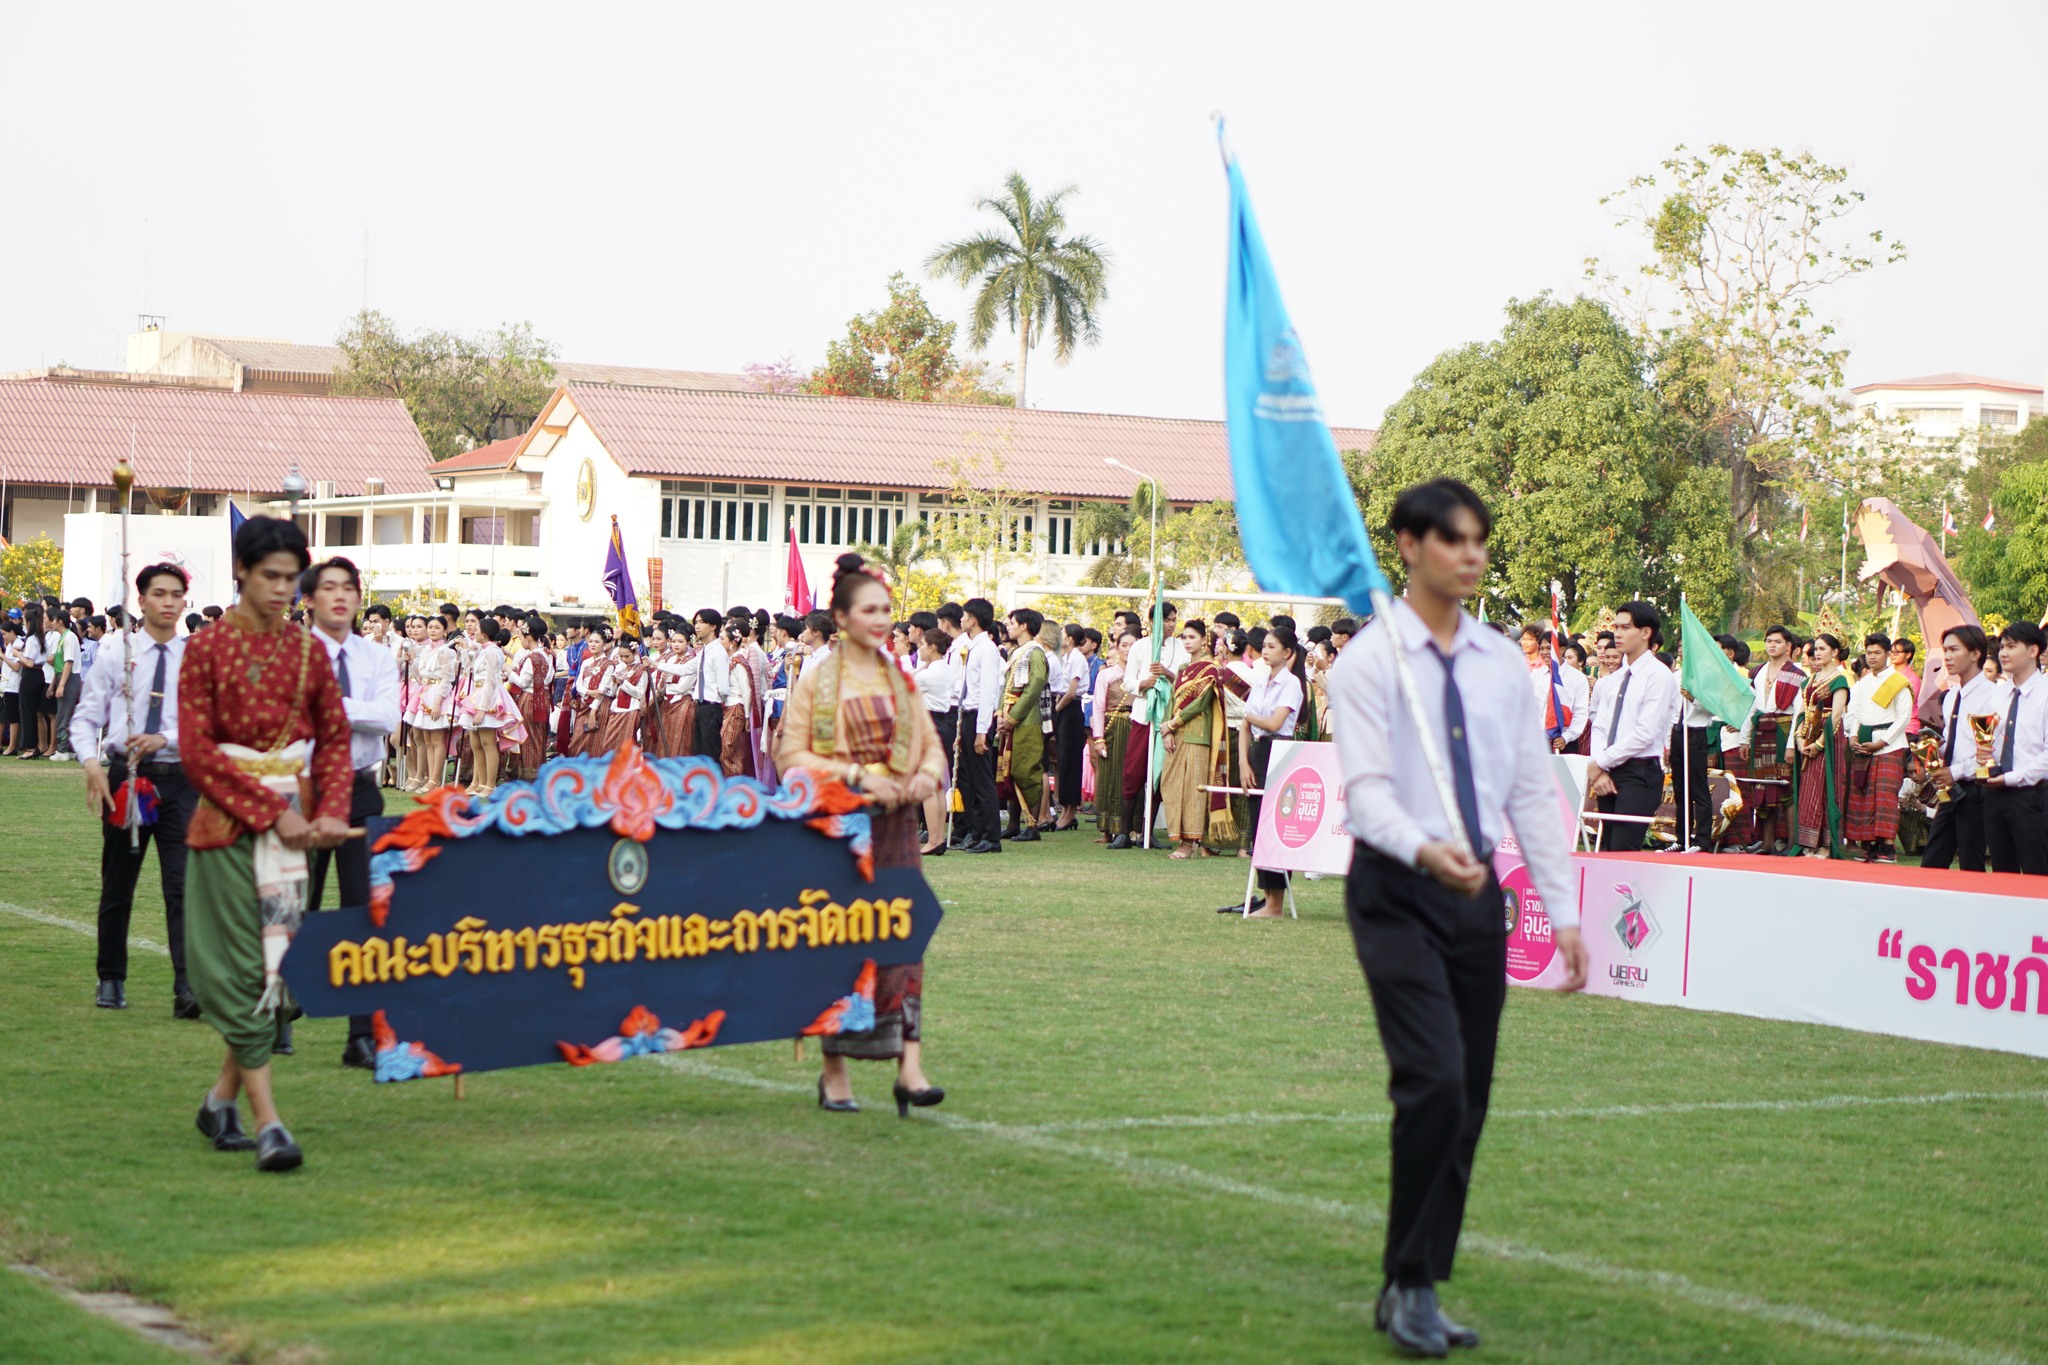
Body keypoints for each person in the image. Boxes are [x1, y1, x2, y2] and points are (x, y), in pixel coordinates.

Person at [1328, 479, 1587, 1356]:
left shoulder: (1500, 663)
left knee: (1468, 1096)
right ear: (1409, 545)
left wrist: (1562, 909)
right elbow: (1366, 795)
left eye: (1479, 539)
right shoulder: (1368, 661)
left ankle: (1418, 1279)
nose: (1470, 554)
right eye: (1452, 539)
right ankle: (1407, 1282)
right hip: (1396, 889)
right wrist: (1424, 848)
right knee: (1433, 1079)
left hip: (1478, 896)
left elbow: (1531, 790)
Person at [179, 516, 353, 1172]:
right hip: (227, 828)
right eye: (271, 576)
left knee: (283, 970)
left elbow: (333, 739)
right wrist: (270, 812)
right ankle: (269, 1122)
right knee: (246, 971)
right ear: (241, 572)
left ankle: (219, 1101)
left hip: (294, 832)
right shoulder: (205, 648)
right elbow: (197, 753)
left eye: (291, 578)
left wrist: (329, 811)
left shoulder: (309, 652)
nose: (283, 589)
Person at [778, 553, 947, 1116]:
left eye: (885, 610)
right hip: (840, 829)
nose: (881, 620)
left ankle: (910, 1068)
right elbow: (791, 756)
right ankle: (834, 1073)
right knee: (842, 946)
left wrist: (921, 779)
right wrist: (856, 775)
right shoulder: (819, 679)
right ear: (843, 618)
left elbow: (931, 747)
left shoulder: (899, 676)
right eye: (869, 610)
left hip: (896, 829)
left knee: (904, 937)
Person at [72, 564, 197, 1015]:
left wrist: (166, 738)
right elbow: (86, 718)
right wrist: (91, 764)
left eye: (176, 594)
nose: (168, 602)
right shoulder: (116, 654)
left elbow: (207, 725)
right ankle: (111, 977)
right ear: (141, 601)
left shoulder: (195, 659)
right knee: (119, 882)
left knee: (182, 886)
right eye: (159, 593)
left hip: (180, 782)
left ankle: (187, 987)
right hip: (127, 779)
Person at [300, 557, 399, 1066]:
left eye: (348, 588)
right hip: (304, 791)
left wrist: (331, 707)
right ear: (309, 599)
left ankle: (361, 1034)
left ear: (359, 599)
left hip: (360, 791)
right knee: (299, 907)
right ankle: (279, 1015)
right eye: (328, 587)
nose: (339, 596)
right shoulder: (292, 655)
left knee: (364, 909)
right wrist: (354, 711)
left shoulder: (376, 656)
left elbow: (386, 718)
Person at [1587, 602, 1677, 852]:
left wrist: (1600, 762)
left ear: (1646, 633)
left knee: (1623, 849)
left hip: (1640, 771)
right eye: (1616, 627)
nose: (1617, 633)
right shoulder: (1613, 679)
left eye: (1626, 628)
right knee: (1606, 847)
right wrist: (1600, 767)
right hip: (1608, 769)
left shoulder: (1659, 676)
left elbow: (1645, 733)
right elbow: (1599, 726)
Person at [1232, 623, 1306, 916]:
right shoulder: (1261, 681)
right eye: (1264, 645)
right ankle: (1267, 897)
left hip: (1280, 751)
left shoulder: (1291, 684)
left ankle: (1276, 903)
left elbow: (1274, 723)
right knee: (1258, 827)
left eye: (1272, 646)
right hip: (1257, 751)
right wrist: (1243, 763)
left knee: (1276, 827)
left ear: (1287, 652)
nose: (1265, 650)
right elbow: (1244, 727)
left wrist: (1248, 716)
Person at [1159, 620, 1243, 859]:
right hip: (1176, 734)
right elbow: (1172, 701)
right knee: (1170, 784)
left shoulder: (1211, 669)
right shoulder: (1183, 668)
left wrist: (1172, 724)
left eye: (1192, 637)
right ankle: (1180, 837)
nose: (1187, 641)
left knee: (1192, 788)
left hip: (1197, 735)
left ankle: (1190, 842)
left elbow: (1200, 702)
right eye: (1184, 637)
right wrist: (1167, 729)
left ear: (1203, 640)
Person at [1922, 625, 1996, 872]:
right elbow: (1952, 738)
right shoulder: (1952, 695)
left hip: (1977, 787)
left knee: (1971, 860)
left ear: (1975, 654)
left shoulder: (1993, 696)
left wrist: (1955, 772)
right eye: (1945, 650)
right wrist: (1932, 752)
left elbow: (1992, 751)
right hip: (1950, 788)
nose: (1947, 657)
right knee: (1932, 861)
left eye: (1954, 650)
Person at [1980, 622, 2046, 875]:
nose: (2003, 653)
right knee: (2002, 873)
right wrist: (1984, 754)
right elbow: (1989, 741)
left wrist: (2012, 778)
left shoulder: (2044, 693)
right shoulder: (1999, 694)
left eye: (2011, 646)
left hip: (2034, 794)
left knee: (2037, 871)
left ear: (2033, 651)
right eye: (2002, 647)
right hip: (1995, 792)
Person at [1842, 633, 1914, 863]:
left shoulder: (1898, 682)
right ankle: (1871, 845)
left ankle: (1888, 848)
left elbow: (1903, 719)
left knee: (1885, 796)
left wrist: (1882, 742)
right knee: (1864, 794)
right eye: (1869, 653)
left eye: (1877, 653)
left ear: (1888, 654)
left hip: (1889, 746)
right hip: (1864, 742)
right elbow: (1854, 714)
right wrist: (1853, 736)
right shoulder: (1862, 683)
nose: (1872, 657)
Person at [1737, 626, 1804, 854]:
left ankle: (1792, 844)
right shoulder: (1757, 672)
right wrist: (1744, 738)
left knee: (1786, 788)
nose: (1772, 645)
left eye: (1777, 641)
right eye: (1769, 641)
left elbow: (1799, 713)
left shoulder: (1797, 675)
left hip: (1783, 732)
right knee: (1762, 788)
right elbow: (1751, 707)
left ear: (1788, 646)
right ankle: (1767, 843)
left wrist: (1791, 745)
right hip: (1760, 733)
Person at [955, 598, 1005, 854]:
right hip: (968, 715)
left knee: (983, 780)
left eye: (964, 616)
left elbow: (987, 692)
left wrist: (982, 731)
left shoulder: (987, 649)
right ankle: (976, 832)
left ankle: (991, 836)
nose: (961, 620)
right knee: (969, 779)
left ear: (973, 620)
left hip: (979, 717)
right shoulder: (972, 646)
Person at [1794, 634, 1851, 858]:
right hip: (1808, 736)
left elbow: (1836, 715)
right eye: (1815, 649)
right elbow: (1802, 712)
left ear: (1834, 652)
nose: (1817, 653)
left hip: (1829, 737)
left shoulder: (1839, 680)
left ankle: (1827, 844)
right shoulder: (1810, 681)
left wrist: (1819, 744)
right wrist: (1800, 739)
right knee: (1810, 788)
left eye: (1822, 649)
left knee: (1828, 786)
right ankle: (1810, 841)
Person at [997, 608, 1050, 842]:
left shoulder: (1035, 653)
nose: (1008, 627)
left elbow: (1033, 688)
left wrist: (1012, 717)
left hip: (1027, 719)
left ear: (1024, 626)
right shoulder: (1016, 652)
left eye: (1012, 623)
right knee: (1009, 770)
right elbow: (1006, 686)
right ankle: (1013, 824)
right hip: (1010, 715)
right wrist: (1001, 713)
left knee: (1026, 770)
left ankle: (1032, 825)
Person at [911, 629, 960, 856]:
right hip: (943, 724)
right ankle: (937, 837)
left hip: (929, 724)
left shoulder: (927, 675)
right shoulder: (947, 670)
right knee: (938, 786)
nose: (919, 648)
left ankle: (933, 839)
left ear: (932, 647)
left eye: (922, 644)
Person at [404, 615, 457, 791]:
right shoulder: (427, 650)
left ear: (444, 631)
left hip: (437, 694)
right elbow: (421, 676)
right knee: (426, 738)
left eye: (437, 627)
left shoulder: (446, 651)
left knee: (436, 738)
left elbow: (447, 679)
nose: (433, 630)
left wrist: (438, 702)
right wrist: (411, 662)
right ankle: (429, 778)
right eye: (431, 627)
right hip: (425, 692)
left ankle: (434, 779)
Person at [1093, 631, 1133, 846]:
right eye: (1124, 645)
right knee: (1110, 776)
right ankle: (1108, 829)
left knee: (1132, 776)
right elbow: (1098, 707)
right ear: (1117, 648)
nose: (1128, 649)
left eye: (1132, 645)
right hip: (1112, 728)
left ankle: (1132, 828)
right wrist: (1099, 738)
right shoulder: (1107, 675)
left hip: (1135, 727)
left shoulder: (1142, 676)